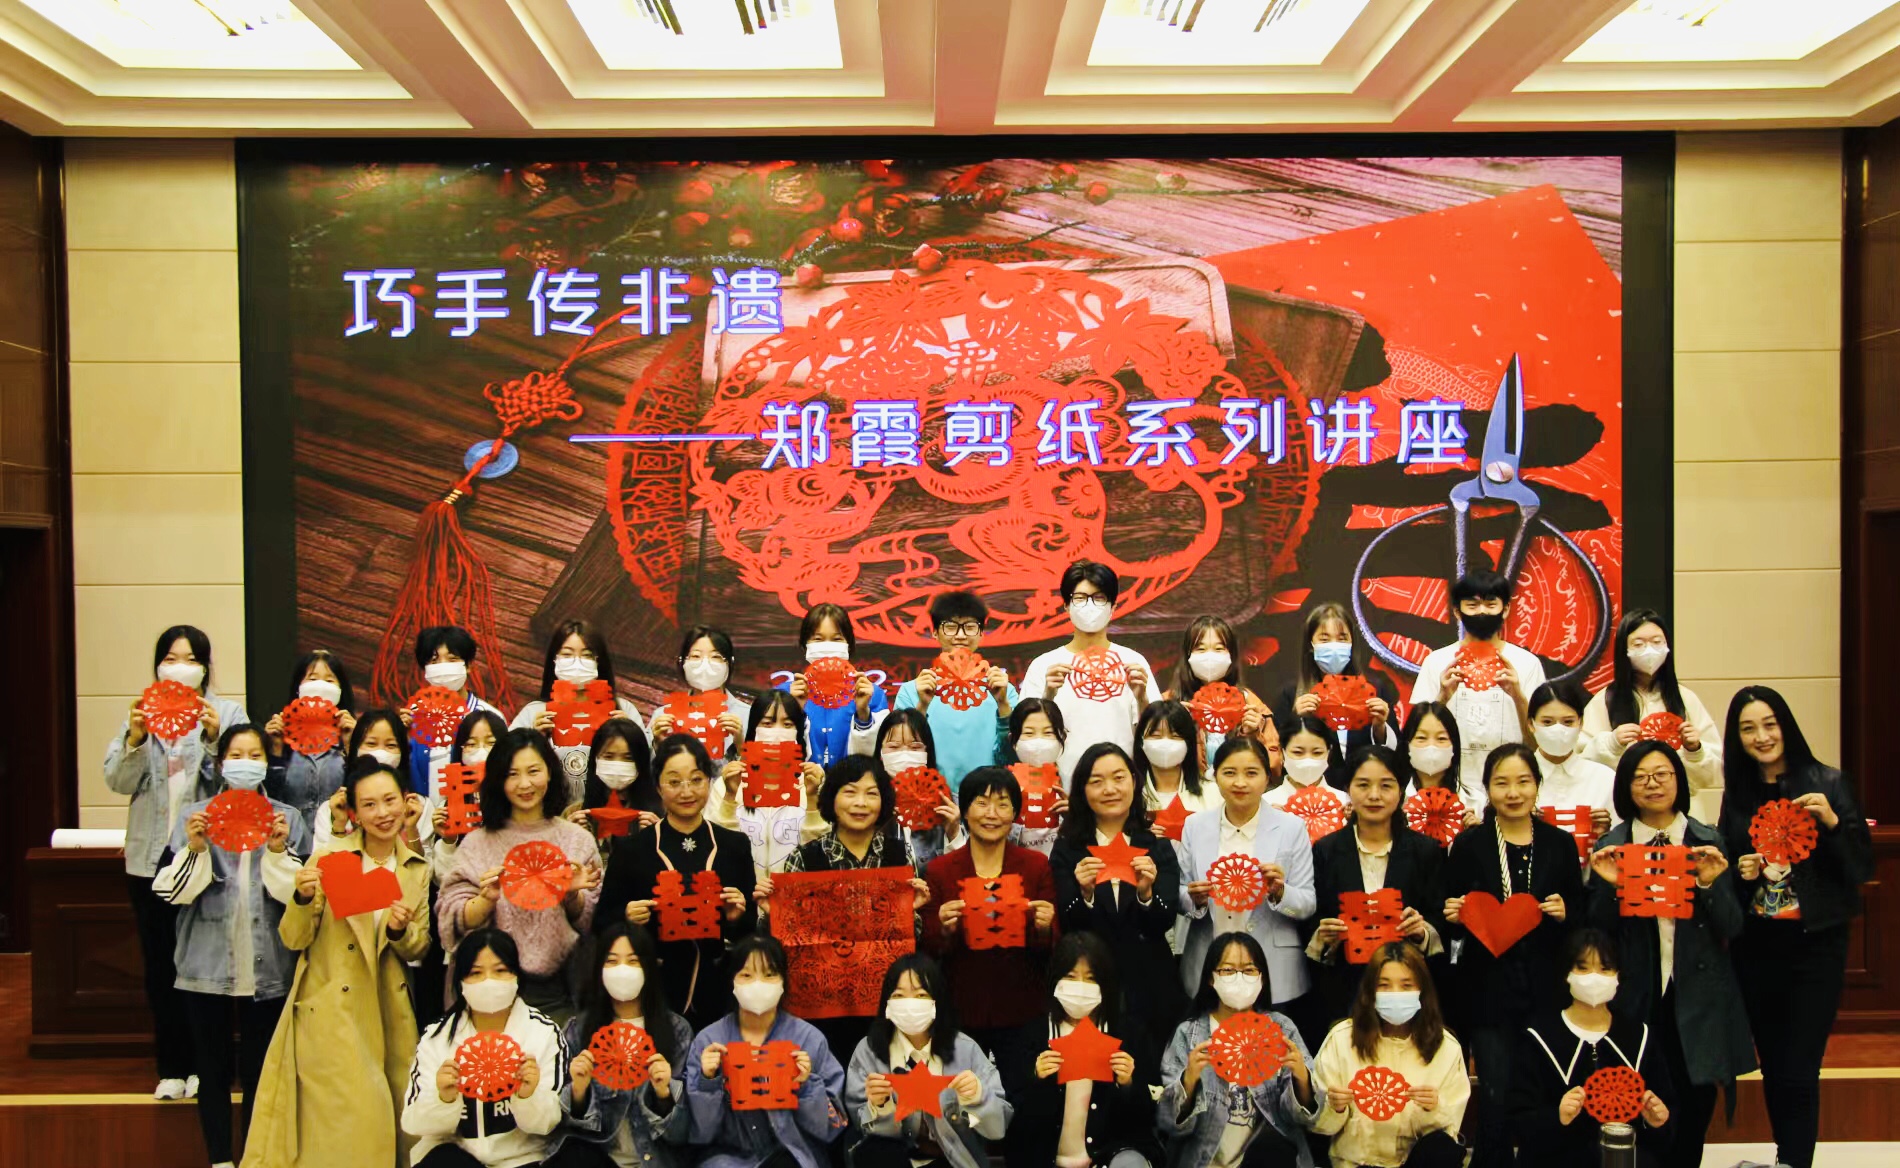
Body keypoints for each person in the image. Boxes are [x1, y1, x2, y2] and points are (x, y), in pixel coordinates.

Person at [244, 759, 432, 1168]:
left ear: (405, 802)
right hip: (331, 1010)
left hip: (389, 1012)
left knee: (389, 1123)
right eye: (370, 805)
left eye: (390, 800)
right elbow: (294, 938)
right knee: (339, 1132)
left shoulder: (416, 868)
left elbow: (419, 949)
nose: (383, 813)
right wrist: (301, 899)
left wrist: (400, 931)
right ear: (355, 813)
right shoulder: (328, 858)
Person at [1719, 686, 1874, 1168]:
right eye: (1748, 728)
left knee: (1801, 1065)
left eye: (1770, 724)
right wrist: (1741, 870)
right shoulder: (1738, 794)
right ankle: (1787, 1158)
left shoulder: (1829, 782)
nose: (1762, 736)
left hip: (1815, 946)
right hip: (1757, 947)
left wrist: (1832, 823)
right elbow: (1729, 870)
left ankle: (1794, 1160)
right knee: (1773, 1064)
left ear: (1786, 724)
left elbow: (1860, 867)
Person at [1584, 740, 1753, 1168]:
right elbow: (1597, 934)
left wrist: (1710, 885)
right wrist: (1611, 886)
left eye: (1662, 774)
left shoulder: (1707, 840)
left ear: (1679, 781)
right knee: (1638, 1098)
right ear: (1625, 786)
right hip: (1637, 993)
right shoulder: (1614, 844)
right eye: (1640, 777)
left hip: (1697, 993)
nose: (1652, 784)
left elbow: (1733, 926)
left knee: (1695, 1101)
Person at [153, 723, 308, 1168]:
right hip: (206, 964)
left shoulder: (287, 819)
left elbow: (299, 896)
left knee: (262, 1072)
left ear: (266, 763)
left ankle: (257, 1157)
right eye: (236, 755)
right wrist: (197, 848)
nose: (245, 763)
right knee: (212, 1070)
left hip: (269, 966)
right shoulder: (196, 815)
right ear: (221, 764)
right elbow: (171, 893)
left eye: (255, 755)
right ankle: (220, 1159)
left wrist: (277, 850)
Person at [105, 623, 248, 1100]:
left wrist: (213, 738)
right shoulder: (143, 712)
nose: (180, 667)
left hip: (207, 859)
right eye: (171, 658)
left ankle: (210, 1067)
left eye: (190, 659)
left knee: (207, 966)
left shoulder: (227, 712)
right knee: (160, 965)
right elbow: (117, 781)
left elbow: (240, 782)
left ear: (205, 667)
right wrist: (135, 738)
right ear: (158, 665)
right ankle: (172, 1066)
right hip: (149, 860)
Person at [1438, 743, 1581, 1168]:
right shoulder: (1470, 844)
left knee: (1543, 1088)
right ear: (1487, 788)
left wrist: (1567, 911)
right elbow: (1452, 921)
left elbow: (1581, 912)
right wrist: (1453, 916)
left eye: (1523, 781)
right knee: (1496, 1093)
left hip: (1547, 988)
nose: (1513, 792)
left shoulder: (1560, 843)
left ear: (1537, 785)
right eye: (1502, 783)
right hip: (1488, 990)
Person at [766, 753, 933, 1063]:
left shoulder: (899, 855)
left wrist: (913, 912)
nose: (860, 803)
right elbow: (789, 941)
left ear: (884, 802)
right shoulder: (805, 858)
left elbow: (909, 940)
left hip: (885, 1003)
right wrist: (771, 911)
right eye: (850, 791)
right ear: (832, 798)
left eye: (871, 794)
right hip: (821, 1007)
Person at [595, 735, 757, 1030]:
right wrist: (627, 918)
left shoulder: (734, 845)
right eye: (674, 782)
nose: (686, 791)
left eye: (696, 780)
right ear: (658, 787)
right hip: (653, 991)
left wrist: (735, 918)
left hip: (718, 989)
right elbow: (601, 923)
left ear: (709, 781)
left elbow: (748, 930)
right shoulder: (632, 849)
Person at [437, 728, 602, 1014]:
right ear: (498, 780)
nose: (524, 784)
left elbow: (592, 921)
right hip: (489, 987)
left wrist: (570, 894)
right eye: (512, 774)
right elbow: (451, 917)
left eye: (533, 771)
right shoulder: (476, 843)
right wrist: (485, 900)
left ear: (550, 773)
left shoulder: (578, 840)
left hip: (562, 990)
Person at [1178, 737, 1318, 1045]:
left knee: (1271, 1058)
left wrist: (1280, 893)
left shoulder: (1291, 827)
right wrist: (1194, 899)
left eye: (1252, 773)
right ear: (1215, 775)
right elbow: (1180, 893)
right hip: (1209, 965)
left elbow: (1307, 903)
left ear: (1268, 777)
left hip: (1273, 968)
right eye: (1229, 772)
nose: (1240, 782)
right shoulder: (1195, 826)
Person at [923, 765, 1059, 1079]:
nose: (992, 814)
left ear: (1015, 813)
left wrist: (1043, 926)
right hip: (961, 1009)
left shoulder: (1035, 866)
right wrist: (943, 928)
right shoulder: (941, 871)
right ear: (965, 811)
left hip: (1023, 1009)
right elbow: (928, 947)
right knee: (962, 1096)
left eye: (1002, 804)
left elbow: (1052, 945)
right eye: (981, 803)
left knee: (1025, 1092)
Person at [1050, 743, 1186, 1049]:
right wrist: (1084, 893)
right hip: (1089, 988)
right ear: (1082, 790)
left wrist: (1146, 893)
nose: (1109, 789)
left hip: (1150, 987)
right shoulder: (1068, 849)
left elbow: (1164, 919)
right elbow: (1068, 923)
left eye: (1118, 778)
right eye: (1096, 781)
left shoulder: (1157, 846)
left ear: (1134, 782)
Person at [1507, 929, 1674, 1168]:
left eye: (1605, 969)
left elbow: (1665, 1123)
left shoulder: (1639, 1037)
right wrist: (1556, 1117)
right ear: (1567, 973)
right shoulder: (1539, 1038)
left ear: (1618, 975)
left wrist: (1656, 1122)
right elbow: (1519, 1120)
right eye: (1583, 968)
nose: (1594, 977)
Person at [402, 929, 567, 1167]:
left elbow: (547, 1125)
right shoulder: (437, 1038)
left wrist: (528, 1096)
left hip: (523, 1159)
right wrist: (443, 1098)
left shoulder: (543, 1033)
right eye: (476, 973)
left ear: (516, 975)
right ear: (460, 981)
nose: (489, 981)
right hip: (457, 1159)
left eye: (500, 971)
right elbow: (412, 1123)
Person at [683, 934, 849, 1168]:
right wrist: (708, 1081)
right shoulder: (709, 1041)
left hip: (793, 1155)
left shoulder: (809, 1039)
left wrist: (806, 1086)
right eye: (747, 975)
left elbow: (832, 1128)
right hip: (727, 1159)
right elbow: (699, 1133)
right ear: (732, 981)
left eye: (769, 974)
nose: (758, 983)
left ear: (783, 981)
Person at [1305, 745, 1445, 1021]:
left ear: (1401, 790)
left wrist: (1422, 931)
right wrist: (1325, 935)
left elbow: (1439, 915)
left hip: (1407, 988)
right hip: (1344, 987)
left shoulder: (1425, 851)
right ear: (1348, 789)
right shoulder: (1326, 850)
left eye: (1386, 785)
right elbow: (1312, 916)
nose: (1374, 795)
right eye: (1363, 785)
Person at [1158, 932, 1320, 1168]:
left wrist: (1302, 1078)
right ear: (1211, 978)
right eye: (1228, 970)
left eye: (1249, 970)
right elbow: (1169, 1124)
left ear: (1262, 978)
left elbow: (1302, 1118)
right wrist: (1189, 1081)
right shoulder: (1189, 1034)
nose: (1239, 978)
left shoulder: (1281, 1029)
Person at [1004, 931, 1162, 1168]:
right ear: (1055, 980)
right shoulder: (1034, 1035)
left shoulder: (1129, 1035)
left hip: (1108, 1159)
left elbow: (1146, 1118)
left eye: (1090, 978)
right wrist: (1036, 1079)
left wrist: (1128, 1084)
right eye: (1070, 976)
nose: (1080, 987)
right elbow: (1016, 1118)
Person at [845, 953, 1013, 1168]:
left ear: (936, 1001)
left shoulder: (965, 1049)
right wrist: (880, 1107)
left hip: (953, 1162)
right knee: (877, 1151)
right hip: (896, 1159)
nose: (910, 1004)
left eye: (921, 995)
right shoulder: (869, 1051)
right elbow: (865, 1132)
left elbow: (997, 1128)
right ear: (887, 1004)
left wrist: (977, 1097)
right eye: (899, 995)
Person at [545, 922, 693, 1168]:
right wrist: (579, 1092)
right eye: (612, 961)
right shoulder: (578, 1030)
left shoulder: (677, 1031)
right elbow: (565, 1127)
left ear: (649, 967)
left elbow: (681, 1134)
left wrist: (664, 1094)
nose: (622, 970)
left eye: (633, 961)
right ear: (599, 969)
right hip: (598, 1159)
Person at [1311, 944, 1467, 1168]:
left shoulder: (1446, 1048)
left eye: (1406, 985)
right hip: (1356, 1163)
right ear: (1369, 992)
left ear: (1422, 990)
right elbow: (1318, 1126)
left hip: (1413, 1163)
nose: (1395, 994)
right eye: (1384, 985)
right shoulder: (1341, 1039)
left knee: (1441, 1148)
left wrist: (1433, 1110)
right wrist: (1334, 1108)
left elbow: (1449, 1133)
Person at [1406, 571, 1546, 808]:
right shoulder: (1436, 661)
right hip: (1449, 787)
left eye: (1491, 604)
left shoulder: (1527, 663)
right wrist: (1442, 697)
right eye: (1472, 605)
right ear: (1457, 611)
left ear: (1506, 609)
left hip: (1509, 788)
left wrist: (1518, 696)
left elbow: (1538, 743)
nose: (1482, 612)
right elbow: (1413, 738)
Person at [1019, 560, 1158, 781]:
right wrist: (1048, 696)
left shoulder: (1133, 662)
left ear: (1113, 607)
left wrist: (1142, 698)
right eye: (1080, 598)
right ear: (1066, 606)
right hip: (1062, 786)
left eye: (1099, 598)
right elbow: (1026, 739)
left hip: (1120, 786)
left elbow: (1155, 734)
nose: (1089, 605)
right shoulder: (1043, 666)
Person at [1581, 609, 1724, 823]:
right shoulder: (1605, 700)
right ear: (1623, 650)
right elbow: (1583, 761)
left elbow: (1712, 771)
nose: (1649, 650)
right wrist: (1611, 744)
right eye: (1638, 644)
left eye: (1657, 642)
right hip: (1625, 815)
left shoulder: (1685, 699)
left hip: (1682, 814)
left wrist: (1695, 750)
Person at [512, 621, 647, 800]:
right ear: (554, 660)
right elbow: (505, 764)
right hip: (551, 810)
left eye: (587, 655)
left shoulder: (624, 709)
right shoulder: (534, 712)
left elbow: (648, 768)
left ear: (599, 661)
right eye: (567, 654)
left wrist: (630, 735)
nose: (577, 662)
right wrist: (533, 739)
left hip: (607, 809)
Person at [897, 589, 1019, 788]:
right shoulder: (911, 691)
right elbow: (901, 755)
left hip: (988, 796)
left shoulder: (1003, 691)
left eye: (970, 627)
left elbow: (1013, 757)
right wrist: (922, 707)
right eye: (950, 627)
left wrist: (1003, 705)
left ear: (981, 633)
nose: (961, 635)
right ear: (935, 632)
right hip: (930, 795)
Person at [710, 691, 831, 880]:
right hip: (743, 892)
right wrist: (730, 798)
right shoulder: (728, 783)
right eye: (767, 723)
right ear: (753, 729)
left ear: (798, 731)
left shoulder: (814, 782)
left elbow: (825, 850)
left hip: (797, 891)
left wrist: (812, 800)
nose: (777, 732)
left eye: (787, 724)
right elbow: (715, 846)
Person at [1273, 602, 1399, 755]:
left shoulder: (1375, 690)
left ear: (1352, 643)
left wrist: (1380, 727)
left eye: (1342, 638)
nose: (1334, 646)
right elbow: (1276, 752)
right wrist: (1295, 720)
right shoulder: (1290, 695)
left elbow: (1396, 754)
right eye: (1324, 639)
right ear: (1310, 645)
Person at [262, 649, 359, 835]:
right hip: (291, 840)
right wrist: (275, 749)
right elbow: (271, 798)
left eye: (329, 680)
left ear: (341, 690)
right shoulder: (280, 734)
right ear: (298, 687)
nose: (320, 686)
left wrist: (352, 746)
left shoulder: (353, 733)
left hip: (340, 838)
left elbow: (362, 794)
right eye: (312, 679)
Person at [785, 602, 887, 767]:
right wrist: (793, 710)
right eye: (818, 639)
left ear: (849, 644)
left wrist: (863, 713)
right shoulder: (785, 694)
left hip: (851, 781)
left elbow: (881, 753)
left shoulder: (872, 694)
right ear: (805, 645)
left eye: (837, 639)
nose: (827, 645)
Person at [408, 625, 504, 798]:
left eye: (452, 659)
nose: (443, 667)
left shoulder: (490, 717)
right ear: (425, 669)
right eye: (434, 661)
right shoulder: (412, 718)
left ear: (468, 666)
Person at [1168, 615, 1271, 760]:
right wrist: (1172, 731)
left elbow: (1274, 762)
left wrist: (1252, 735)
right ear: (1187, 656)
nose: (1210, 656)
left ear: (1231, 656)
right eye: (1201, 649)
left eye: (1219, 649)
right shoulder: (1168, 703)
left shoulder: (1250, 703)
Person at [870, 710, 964, 867]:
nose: (904, 754)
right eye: (894, 747)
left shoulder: (950, 804)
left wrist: (953, 832)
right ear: (880, 753)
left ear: (927, 752)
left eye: (914, 747)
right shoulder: (868, 804)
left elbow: (962, 870)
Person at [648, 624, 752, 764]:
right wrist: (658, 745)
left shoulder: (749, 716)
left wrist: (741, 746)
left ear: (729, 664)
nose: (705, 664)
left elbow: (762, 771)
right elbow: (647, 770)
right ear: (682, 662)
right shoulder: (662, 717)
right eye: (696, 656)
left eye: (715, 657)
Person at [564, 719, 660, 865]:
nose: (618, 764)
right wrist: (569, 839)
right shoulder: (574, 814)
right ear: (595, 759)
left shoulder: (659, 816)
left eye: (628, 758)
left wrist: (660, 838)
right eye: (608, 756)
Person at [1526, 681, 1616, 836]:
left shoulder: (1605, 779)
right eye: (1547, 722)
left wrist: (1606, 834)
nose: (1558, 729)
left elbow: (1623, 838)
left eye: (1568, 722)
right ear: (1531, 724)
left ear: (1581, 723)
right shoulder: (1516, 779)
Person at [1001, 698, 1070, 854]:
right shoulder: (1003, 787)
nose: (1039, 741)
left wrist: (1074, 819)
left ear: (1062, 737)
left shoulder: (1075, 784)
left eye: (1048, 733)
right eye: (1029, 733)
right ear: (1013, 740)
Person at [1398, 704, 1477, 829]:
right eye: (1421, 738)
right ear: (1407, 745)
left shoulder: (1476, 801)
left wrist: (1477, 833)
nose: (1431, 746)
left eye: (1441, 738)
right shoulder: (1395, 802)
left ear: (1454, 747)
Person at [1136, 700, 1209, 819]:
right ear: (1141, 741)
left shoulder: (1212, 792)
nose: (1165, 743)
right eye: (1155, 735)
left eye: (1175, 736)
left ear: (1189, 743)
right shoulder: (1129, 795)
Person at [1263, 715, 1346, 810]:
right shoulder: (1264, 804)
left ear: (1329, 753)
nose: (1308, 760)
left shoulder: (1345, 803)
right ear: (1282, 753)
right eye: (1298, 752)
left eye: (1317, 752)